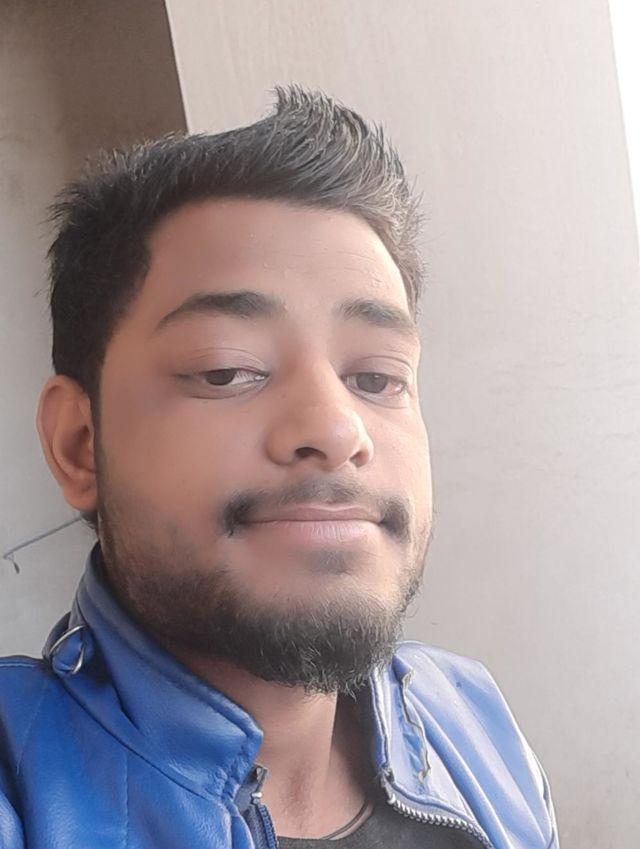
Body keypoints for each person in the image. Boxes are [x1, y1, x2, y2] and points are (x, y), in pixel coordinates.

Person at [0, 84, 558, 849]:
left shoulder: (470, 716)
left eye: (377, 377)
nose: (337, 428)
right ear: (78, 443)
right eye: (227, 369)